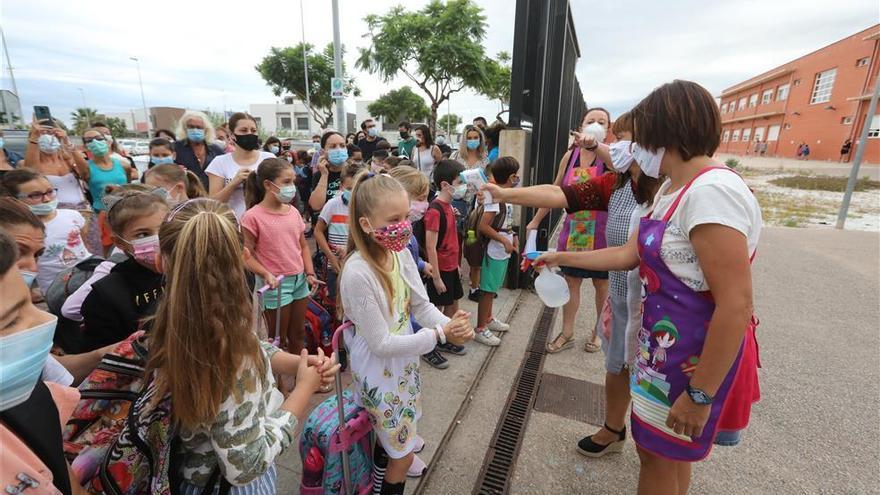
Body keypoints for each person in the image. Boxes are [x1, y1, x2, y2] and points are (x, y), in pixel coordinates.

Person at [535, 80, 761, 494]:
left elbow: (736, 302)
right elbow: (629, 253)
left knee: (660, 460)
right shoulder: (674, 189)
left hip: (689, 360)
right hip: (662, 351)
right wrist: (561, 257)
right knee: (660, 455)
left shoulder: (713, 193)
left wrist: (700, 393)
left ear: (666, 132)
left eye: (639, 137)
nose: (632, 148)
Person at [485, 111, 663, 461]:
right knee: (617, 365)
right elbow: (560, 192)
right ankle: (614, 428)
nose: (622, 148)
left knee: (652, 384)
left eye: (628, 140)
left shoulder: (670, 190)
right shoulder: (618, 183)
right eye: (619, 140)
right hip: (621, 292)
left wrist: (558, 255)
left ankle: (654, 444)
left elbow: (630, 255)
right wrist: (504, 194)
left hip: (656, 306)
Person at [144, 198, 339, 491]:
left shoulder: (173, 326)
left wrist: (295, 363)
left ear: (160, 260)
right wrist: (303, 389)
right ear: (243, 257)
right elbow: (247, 465)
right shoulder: (227, 353)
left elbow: (253, 346)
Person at [339, 171, 474, 494]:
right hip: (378, 371)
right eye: (394, 218)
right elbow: (382, 343)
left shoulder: (399, 253)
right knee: (403, 455)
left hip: (404, 366)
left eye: (406, 215)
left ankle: (374, 485)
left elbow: (421, 306)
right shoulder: (358, 272)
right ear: (367, 224)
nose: (404, 224)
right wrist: (441, 336)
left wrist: (449, 323)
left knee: (392, 445)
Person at [0, 229, 86, 495]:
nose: (45, 320)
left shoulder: (31, 396)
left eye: (29, 303)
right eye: (11, 321)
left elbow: (63, 475)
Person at [526, 107, 613, 354]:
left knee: (601, 285)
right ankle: (567, 332)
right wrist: (536, 220)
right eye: (591, 120)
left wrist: (597, 148)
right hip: (574, 232)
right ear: (581, 125)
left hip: (602, 234)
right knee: (571, 283)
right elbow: (556, 191)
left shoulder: (611, 157)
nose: (595, 124)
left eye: (601, 121)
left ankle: (598, 331)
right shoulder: (570, 156)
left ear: (607, 129)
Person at [242, 158, 319, 352]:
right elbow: (246, 255)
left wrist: (309, 273)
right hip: (275, 285)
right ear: (268, 185)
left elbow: (303, 246)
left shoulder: (293, 211)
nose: (291, 187)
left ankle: (300, 374)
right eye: (286, 182)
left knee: (299, 333)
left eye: (292, 181)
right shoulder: (253, 216)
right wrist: (266, 274)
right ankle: (279, 382)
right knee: (277, 339)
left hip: (299, 280)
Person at [80, 186, 168, 352]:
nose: (159, 239)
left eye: (164, 228)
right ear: (120, 243)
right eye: (142, 234)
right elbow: (101, 357)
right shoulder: (105, 296)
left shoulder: (187, 272)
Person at [0, 169, 92, 296]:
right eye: (36, 195)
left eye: (50, 192)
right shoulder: (19, 233)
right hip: (55, 290)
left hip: (88, 278)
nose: (47, 199)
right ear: (13, 200)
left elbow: (84, 243)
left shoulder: (72, 215)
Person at [424, 160, 467, 368]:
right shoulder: (434, 210)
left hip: (451, 267)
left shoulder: (449, 207)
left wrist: (456, 265)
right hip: (439, 269)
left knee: (450, 303)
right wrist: (437, 276)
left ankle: (445, 339)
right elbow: (431, 247)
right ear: (444, 185)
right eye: (460, 182)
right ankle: (429, 346)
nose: (463, 186)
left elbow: (452, 240)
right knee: (436, 308)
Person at [206, 112, 274, 220]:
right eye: (243, 130)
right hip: (232, 225)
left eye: (253, 130)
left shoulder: (269, 158)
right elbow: (212, 204)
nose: (249, 134)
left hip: (265, 222)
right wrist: (233, 183)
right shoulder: (219, 162)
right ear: (232, 134)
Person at [450, 125, 490, 301]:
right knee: (455, 243)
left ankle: (475, 285)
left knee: (474, 244)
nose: (473, 140)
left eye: (476, 137)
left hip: (477, 205)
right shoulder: (456, 156)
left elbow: (488, 181)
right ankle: (456, 277)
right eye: (470, 137)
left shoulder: (485, 159)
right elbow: (450, 179)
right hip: (458, 202)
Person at [82, 127, 132, 256]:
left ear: (107, 141)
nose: (95, 142)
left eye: (98, 138)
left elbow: (129, 186)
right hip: (102, 215)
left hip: (125, 211)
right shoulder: (86, 168)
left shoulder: (123, 164)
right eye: (89, 140)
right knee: (107, 251)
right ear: (85, 146)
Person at [314, 163, 360, 299]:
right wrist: (331, 257)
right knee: (337, 302)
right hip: (335, 266)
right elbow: (318, 231)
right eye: (349, 188)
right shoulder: (333, 204)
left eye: (357, 188)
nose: (353, 192)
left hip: (358, 264)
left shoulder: (366, 207)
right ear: (341, 187)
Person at [173, 110, 225, 188]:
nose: (195, 130)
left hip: (211, 195)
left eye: (199, 127)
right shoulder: (175, 148)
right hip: (185, 196)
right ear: (185, 128)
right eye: (191, 127)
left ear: (206, 129)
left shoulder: (216, 150)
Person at [309, 131, 348, 212]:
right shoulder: (319, 175)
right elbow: (316, 206)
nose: (338, 149)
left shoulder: (355, 172)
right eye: (333, 146)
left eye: (342, 146)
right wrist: (324, 175)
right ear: (323, 152)